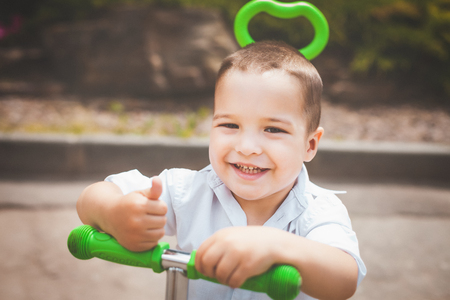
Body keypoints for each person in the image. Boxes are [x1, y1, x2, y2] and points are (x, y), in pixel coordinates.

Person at [77, 41, 366, 300]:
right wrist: (114, 213)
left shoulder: (319, 212)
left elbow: (344, 279)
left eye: (273, 129)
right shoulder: (187, 191)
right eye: (230, 125)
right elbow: (91, 198)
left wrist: (276, 245)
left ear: (310, 145)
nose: (247, 146)